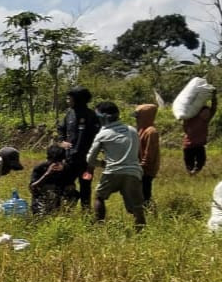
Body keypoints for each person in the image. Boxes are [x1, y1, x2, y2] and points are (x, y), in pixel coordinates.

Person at [86, 101, 146, 231]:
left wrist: (101, 163)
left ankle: (98, 227)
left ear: (103, 117)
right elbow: (138, 153)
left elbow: (89, 159)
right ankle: (141, 233)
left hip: (112, 171)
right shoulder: (132, 130)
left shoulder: (103, 134)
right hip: (133, 172)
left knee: (99, 197)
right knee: (137, 207)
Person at [57, 86, 101, 209]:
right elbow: (61, 128)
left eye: (69, 98)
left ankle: (85, 212)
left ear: (77, 99)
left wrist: (93, 158)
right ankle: (67, 210)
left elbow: (98, 137)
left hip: (86, 162)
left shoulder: (91, 116)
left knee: (85, 186)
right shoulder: (69, 114)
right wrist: (62, 141)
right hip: (69, 159)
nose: (67, 100)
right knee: (66, 184)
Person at [29, 144, 74, 216]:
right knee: (50, 191)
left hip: (59, 197)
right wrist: (47, 174)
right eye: (54, 161)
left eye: (59, 161)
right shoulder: (40, 167)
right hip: (42, 198)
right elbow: (32, 187)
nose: (56, 163)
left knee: (73, 192)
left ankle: (64, 214)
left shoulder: (65, 168)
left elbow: (70, 186)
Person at [182, 90, 217, 175]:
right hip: (192, 145)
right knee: (192, 164)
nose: (206, 114)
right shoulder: (194, 118)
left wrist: (214, 97)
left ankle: (193, 174)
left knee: (198, 163)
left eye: (207, 112)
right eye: (205, 112)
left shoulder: (200, 119)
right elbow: (213, 109)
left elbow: (214, 108)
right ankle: (192, 174)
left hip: (195, 145)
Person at [135, 104, 160, 206]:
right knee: (140, 194)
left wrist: (142, 167)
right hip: (140, 168)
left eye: (138, 117)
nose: (136, 120)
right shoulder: (142, 130)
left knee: (145, 195)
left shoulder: (151, 132)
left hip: (146, 170)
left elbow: (149, 153)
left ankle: (149, 214)